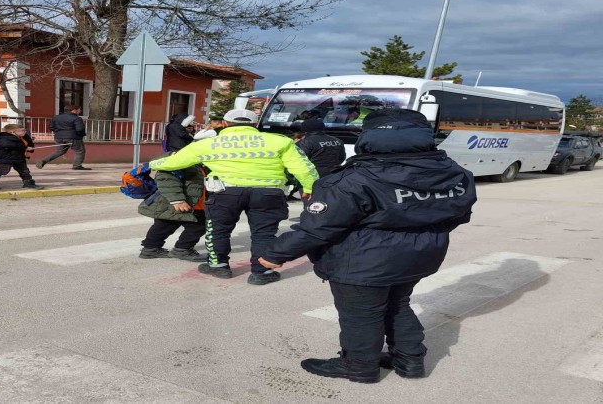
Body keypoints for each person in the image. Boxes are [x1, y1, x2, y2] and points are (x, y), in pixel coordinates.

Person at [257, 108, 477, 383]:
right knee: (397, 304)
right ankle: (409, 360)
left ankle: (359, 365)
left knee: (362, 314)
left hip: (364, 261)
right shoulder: (454, 172)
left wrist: (275, 254)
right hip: (422, 255)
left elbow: (317, 228)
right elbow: (459, 215)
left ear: (370, 136)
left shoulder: (354, 179)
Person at [149, 108, 319, 285]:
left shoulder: (207, 143)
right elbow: (304, 168)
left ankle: (218, 266)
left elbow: (173, 162)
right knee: (264, 234)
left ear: (224, 123)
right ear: (255, 124)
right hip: (268, 193)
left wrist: (151, 164)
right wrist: (310, 187)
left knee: (219, 229)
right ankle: (262, 272)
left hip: (225, 193)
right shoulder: (280, 141)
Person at [137, 131, 217, 262]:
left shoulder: (200, 159)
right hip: (178, 202)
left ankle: (150, 249)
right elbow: (167, 179)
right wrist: (177, 200)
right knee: (197, 225)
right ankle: (182, 250)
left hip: (192, 201)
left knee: (165, 225)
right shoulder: (182, 158)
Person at [0, 124, 41, 190]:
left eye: (25, 130)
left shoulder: (20, 137)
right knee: (2, 171)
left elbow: (18, 146)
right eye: (22, 130)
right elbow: (8, 145)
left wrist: (26, 148)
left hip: (18, 158)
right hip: (6, 159)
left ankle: (29, 184)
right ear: (13, 132)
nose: (24, 132)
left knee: (24, 171)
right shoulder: (5, 137)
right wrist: (25, 148)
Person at [36, 105, 90, 170]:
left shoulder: (56, 117)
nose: (80, 111)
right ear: (74, 110)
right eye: (79, 109)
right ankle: (77, 165)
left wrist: (59, 133)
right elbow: (80, 129)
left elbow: (51, 127)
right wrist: (80, 135)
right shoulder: (77, 118)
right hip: (73, 137)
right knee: (80, 151)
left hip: (58, 137)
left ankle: (42, 161)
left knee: (59, 151)